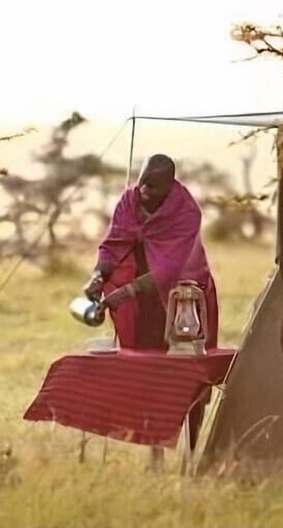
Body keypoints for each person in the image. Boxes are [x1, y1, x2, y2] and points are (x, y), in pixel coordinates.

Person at [82, 153, 218, 450]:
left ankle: (191, 449)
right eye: (142, 183)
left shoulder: (186, 212)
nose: (143, 190)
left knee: (185, 375)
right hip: (142, 298)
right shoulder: (129, 201)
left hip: (183, 297)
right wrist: (98, 277)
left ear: (169, 186)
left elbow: (170, 268)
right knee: (147, 372)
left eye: (152, 186)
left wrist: (126, 291)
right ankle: (154, 445)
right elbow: (113, 244)